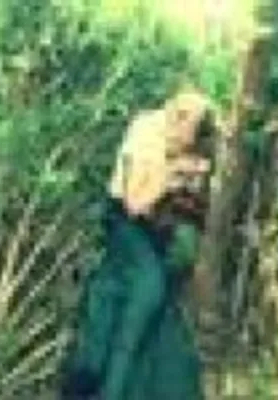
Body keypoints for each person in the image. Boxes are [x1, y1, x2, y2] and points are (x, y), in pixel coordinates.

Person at [61, 89, 214, 400]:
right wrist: (173, 174)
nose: (189, 140)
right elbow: (135, 203)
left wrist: (190, 181)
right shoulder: (146, 130)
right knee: (148, 288)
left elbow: (189, 210)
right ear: (178, 118)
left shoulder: (184, 142)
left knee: (164, 313)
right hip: (125, 223)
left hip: (158, 231)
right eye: (191, 129)